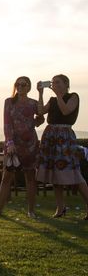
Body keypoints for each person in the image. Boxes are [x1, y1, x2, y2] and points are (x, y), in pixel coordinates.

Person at [0, 77, 43, 218]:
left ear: (28, 87)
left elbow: (42, 116)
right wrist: (10, 143)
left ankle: (31, 211)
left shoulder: (33, 103)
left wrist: (41, 93)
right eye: (17, 84)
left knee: (30, 178)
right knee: (6, 178)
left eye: (23, 84)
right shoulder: (9, 102)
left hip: (30, 144)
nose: (19, 86)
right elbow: (7, 124)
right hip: (13, 145)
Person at [35, 74, 88, 219]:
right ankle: (60, 208)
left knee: (73, 173)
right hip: (50, 136)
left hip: (64, 136)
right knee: (54, 174)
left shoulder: (73, 97)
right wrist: (40, 94)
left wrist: (58, 95)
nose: (55, 84)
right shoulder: (52, 99)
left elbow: (65, 111)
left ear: (66, 84)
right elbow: (40, 111)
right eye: (53, 83)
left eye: (58, 82)